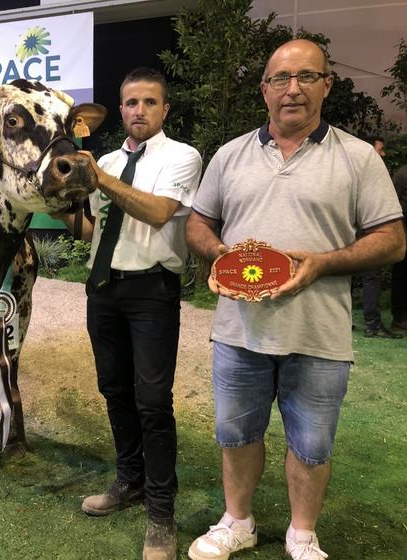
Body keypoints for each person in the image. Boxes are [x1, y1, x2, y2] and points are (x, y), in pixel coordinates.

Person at [185, 40, 405, 560]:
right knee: (236, 434)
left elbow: (393, 239)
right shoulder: (230, 154)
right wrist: (220, 256)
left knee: (312, 444)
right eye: (281, 78)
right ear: (264, 89)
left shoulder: (357, 159)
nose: (293, 89)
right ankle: (238, 522)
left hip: (320, 332)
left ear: (327, 84)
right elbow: (198, 222)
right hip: (240, 331)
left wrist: (324, 262)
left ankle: (302, 535)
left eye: (307, 76)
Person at [62, 67, 202, 560]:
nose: (138, 110)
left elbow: (160, 213)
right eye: (130, 103)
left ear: (165, 109)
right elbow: (95, 231)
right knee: (115, 391)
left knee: (152, 402)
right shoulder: (104, 159)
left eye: (149, 102)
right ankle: (129, 482)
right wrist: (62, 204)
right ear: (119, 109)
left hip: (151, 292)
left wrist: (97, 177)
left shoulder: (182, 157)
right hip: (104, 288)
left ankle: (161, 512)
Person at [359, 136, 402, 338]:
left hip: (357, 232)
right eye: (381, 149)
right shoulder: (367, 171)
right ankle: (372, 324)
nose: (383, 154)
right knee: (371, 277)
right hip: (367, 233)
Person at [391, 164, 407, 332]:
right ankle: (399, 318)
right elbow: (392, 202)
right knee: (402, 277)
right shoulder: (403, 174)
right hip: (404, 234)